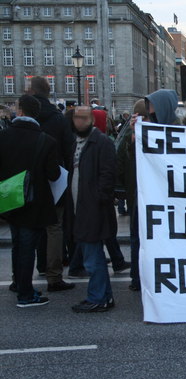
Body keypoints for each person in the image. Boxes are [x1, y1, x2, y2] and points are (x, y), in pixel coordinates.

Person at [0, 94, 60, 307]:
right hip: (35, 202)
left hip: (10, 200)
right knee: (27, 248)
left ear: (21, 112)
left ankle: (18, 282)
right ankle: (25, 295)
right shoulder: (46, 140)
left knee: (17, 245)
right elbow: (53, 175)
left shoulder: (4, 136)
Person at [66, 106, 117, 312]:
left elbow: (108, 175)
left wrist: (97, 199)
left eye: (84, 118)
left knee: (92, 257)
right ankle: (104, 297)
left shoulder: (101, 142)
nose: (79, 122)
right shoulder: (76, 142)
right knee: (92, 255)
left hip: (93, 209)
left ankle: (98, 297)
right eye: (76, 118)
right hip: (82, 207)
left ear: (92, 120)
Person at [30, 76, 75, 292]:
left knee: (31, 225)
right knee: (54, 226)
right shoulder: (58, 118)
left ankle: (30, 271)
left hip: (28, 179)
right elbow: (69, 148)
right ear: (49, 93)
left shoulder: (27, 117)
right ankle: (54, 275)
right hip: (55, 176)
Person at [117, 99, 149, 291]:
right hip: (138, 193)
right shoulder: (132, 134)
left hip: (135, 194)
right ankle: (138, 277)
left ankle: (137, 277)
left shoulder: (127, 134)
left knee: (136, 236)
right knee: (138, 236)